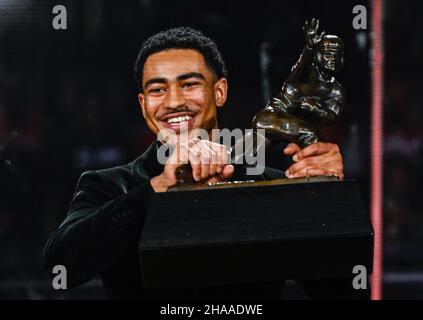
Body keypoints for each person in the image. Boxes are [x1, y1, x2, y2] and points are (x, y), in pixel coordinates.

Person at [43, 27, 367, 299]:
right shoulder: (109, 185)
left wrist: (329, 202)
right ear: (143, 105)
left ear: (220, 91)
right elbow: (62, 267)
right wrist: (157, 189)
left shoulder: (270, 186)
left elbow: (342, 293)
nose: (173, 102)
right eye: (158, 89)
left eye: (189, 84)